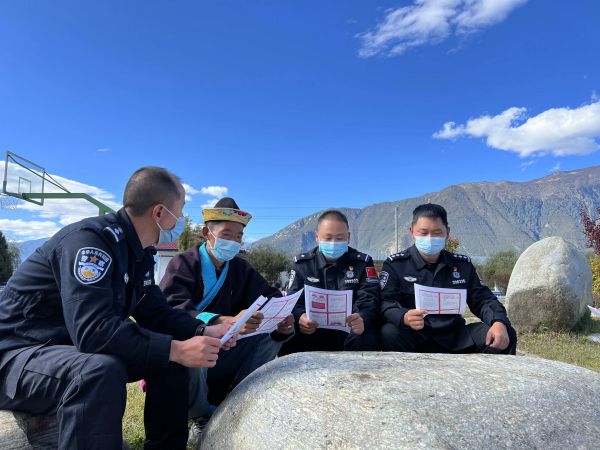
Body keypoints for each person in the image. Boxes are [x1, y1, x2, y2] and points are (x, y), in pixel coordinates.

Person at [0, 167, 236, 450]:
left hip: (64, 351)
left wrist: (203, 330)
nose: (183, 219)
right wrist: (174, 348)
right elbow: (94, 331)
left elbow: (157, 313)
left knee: (171, 360)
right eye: (181, 209)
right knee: (99, 370)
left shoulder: (138, 254)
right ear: (159, 212)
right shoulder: (89, 244)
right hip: (16, 356)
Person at [159, 197, 294, 445]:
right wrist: (221, 321)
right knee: (195, 341)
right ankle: (200, 416)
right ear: (206, 233)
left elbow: (270, 296)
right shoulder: (183, 263)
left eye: (238, 236)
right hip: (193, 350)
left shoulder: (241, 269)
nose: (233, 241)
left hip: (228, 348)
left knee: (271, 334)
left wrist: (281, 318)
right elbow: (171, 309)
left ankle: (238, 398)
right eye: (226, 234)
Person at [380, 203, 517, 354]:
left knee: (504, 334)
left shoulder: (462, 265)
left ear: (447, 232)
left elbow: (483, 299)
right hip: (414, 335)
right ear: (412, 232)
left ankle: (489, 370)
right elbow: (385, 302)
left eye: (437, 232)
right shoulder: (396, 265)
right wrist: (403, 316)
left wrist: (498, 321)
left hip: (456, 337)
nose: (430, 238)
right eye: (423, 232)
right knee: (389, 332)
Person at [279, 210, 380, 354]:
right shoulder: (302, 264)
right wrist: (301, 317)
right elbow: (293, 299)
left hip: (349, 330)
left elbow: (369, 297)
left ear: (348, 237)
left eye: (339, 238)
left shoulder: (363, 262)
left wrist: (361, 317)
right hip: (312, 330)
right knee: (288, 333)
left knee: (367, 335)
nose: (333, 243)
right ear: (317, 237)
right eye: (328, 238)